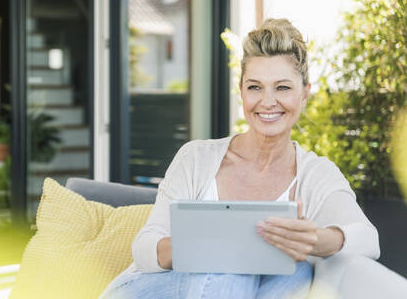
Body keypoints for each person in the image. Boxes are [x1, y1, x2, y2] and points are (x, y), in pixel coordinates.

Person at [100, 18, 380, 299]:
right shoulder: (195, 157)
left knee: (297, 271)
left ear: (304, 93)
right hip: (149, 289)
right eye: (255, 87)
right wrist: (207, 245)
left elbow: (368, 240)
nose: (267, 101)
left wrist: (314, 241)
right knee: (232, 262)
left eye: (282, 87)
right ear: (242, 91)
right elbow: (145, 247)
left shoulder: (316, 174)